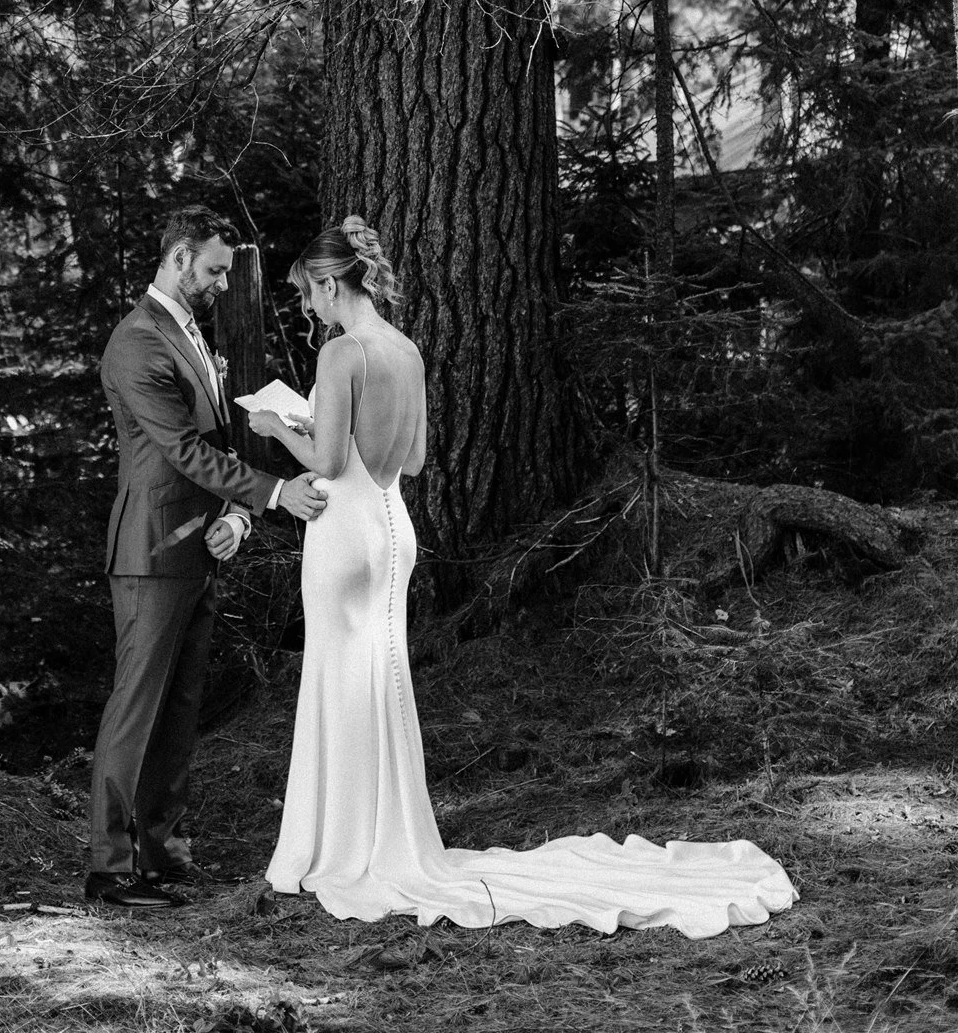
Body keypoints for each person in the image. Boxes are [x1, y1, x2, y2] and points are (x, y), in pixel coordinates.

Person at [250, 215, 798, 938]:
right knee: (378, 677)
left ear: (328, 282)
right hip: (391, 523)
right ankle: (379, 836)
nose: (306, 308)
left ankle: (335, 846)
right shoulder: (405, 351)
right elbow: (411, 461)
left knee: (337, 676)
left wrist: (273, 425)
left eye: (306, 295)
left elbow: (322, 463)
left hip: (344, 530)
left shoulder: (342, 353)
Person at [85, 206, 329, 909]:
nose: (223, 283)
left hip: (201, 545)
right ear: (180, 256)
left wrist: (239, 514)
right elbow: (182, 452)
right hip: (150, 550)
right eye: (216, 269)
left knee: (180, 709)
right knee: (137, 709)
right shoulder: (136, 342)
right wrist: (278, 492)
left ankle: (160, 855)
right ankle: (110, 868)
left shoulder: (191, 335)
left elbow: (217, 447)